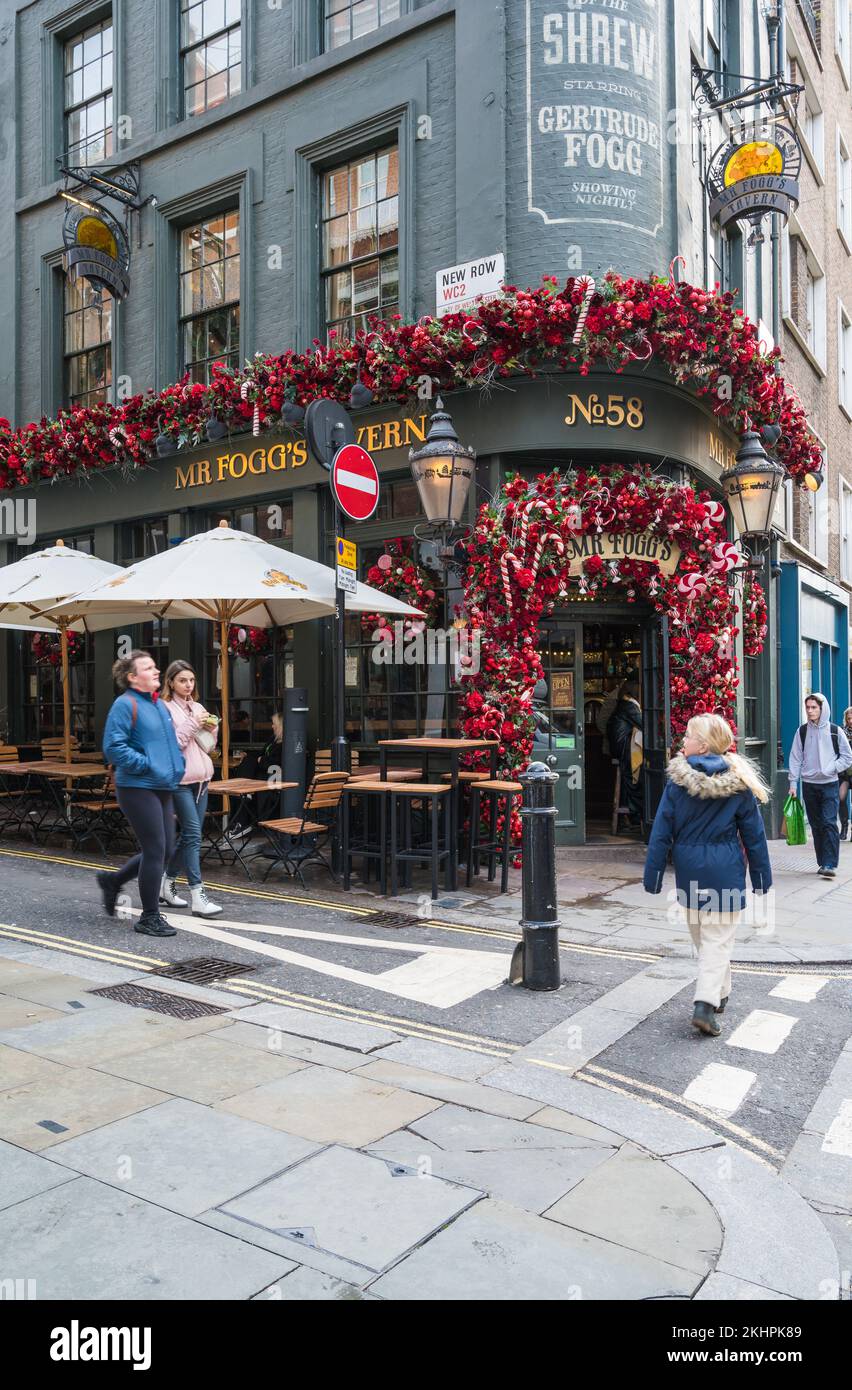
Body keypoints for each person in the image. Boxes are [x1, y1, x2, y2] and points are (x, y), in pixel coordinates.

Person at [644, 713, 772, 1037]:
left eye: (688, 736)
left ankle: (717, 994)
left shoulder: (677, 782)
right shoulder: (738, 781)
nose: (682, 741)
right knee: (716, 939)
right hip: (725, 871)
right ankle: (706, 1003)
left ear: (703, 744)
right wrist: (760, 876)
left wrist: (654, 873)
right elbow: (754, 835)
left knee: (706, 938)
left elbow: (661, 831)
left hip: (690, 874)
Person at [97, 651, 184, 938]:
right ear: (133, 677)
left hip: (161, 785)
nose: (157, 670)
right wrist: (147, 765)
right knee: (156, 850)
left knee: (166, 850)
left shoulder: (159, 705)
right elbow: (113, 747)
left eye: (155, 666)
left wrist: (174, 769)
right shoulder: (125, 704)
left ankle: (113, 881)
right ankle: (149, 917)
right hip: (136, 787)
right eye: (148, 668)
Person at [160, 660, 223, 918]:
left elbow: (207, 747)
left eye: (192, 680)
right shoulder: (163, 708)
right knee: (195, 835)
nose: (188, 685)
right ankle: (198, 895)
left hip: (202, 780)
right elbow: (170, 744)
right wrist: (193, 724)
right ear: (171, 683)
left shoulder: (197, 707)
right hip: (179, 782)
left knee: (189, 837)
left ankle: (166, 883)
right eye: (183, 680)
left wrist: (211, 728)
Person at [787, 692, 852, 878]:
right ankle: (822, 861)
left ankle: (830, 864)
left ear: (822, 708)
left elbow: (847, 757)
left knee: (829, 822)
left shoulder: (835, 731)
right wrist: (793, 783)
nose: (810, 710)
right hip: (809, 785)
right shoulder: (802, 731)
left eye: (814, 707)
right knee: (816, 825)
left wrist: (832, 768)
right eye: (807, 707)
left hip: (830, 783)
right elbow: (795, 758)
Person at [227, 712, 284, 840]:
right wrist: (250, 756)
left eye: (274, 724)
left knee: (249, 764)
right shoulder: (273, 740)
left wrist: (259, 760)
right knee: (248, 760)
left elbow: (276, 762)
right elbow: (261, 754)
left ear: (282, 726)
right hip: (262, 777)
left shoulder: (287, 745)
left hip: (273, 780)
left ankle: (244, 792)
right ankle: (244, 791)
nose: (272, 727)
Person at [607, 676, 643, 823]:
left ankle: (630, 815)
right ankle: (636, 812)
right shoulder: (629, 706)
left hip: (617, 746)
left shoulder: (623, 703)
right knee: (642, 770)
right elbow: (644, 724)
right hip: (624, 749)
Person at [839, 708, 852, 841]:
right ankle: (844, 828)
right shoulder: (841, 732)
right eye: (848, 719)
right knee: (841, 798)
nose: (850, 721)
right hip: (844, 772)